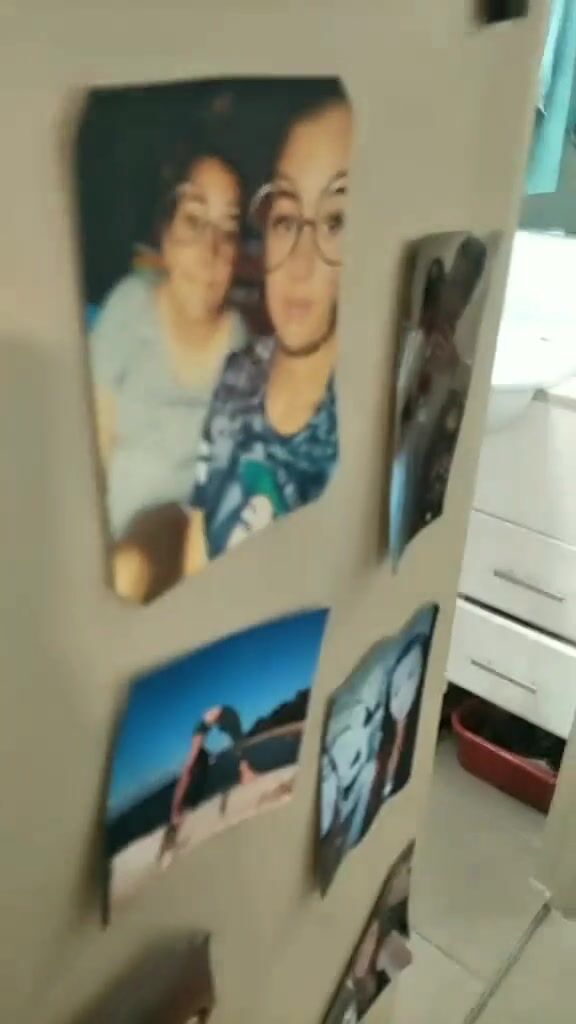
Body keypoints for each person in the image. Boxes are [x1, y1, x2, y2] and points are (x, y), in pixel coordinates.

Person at [182, 84, 352, 573]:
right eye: (286, 219)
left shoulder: (363, 419)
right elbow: (195, 552)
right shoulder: (238, 375)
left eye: (335, 221)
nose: (299, 263)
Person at [90, 135, 247, 599]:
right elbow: (90, 455)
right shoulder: (128, 308)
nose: (211, 249)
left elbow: (216, 509)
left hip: (172, 556)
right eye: (195, 222)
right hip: (99, 546)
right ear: (166, 236)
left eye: (228, 231)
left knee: (133, 567)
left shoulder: (240, 352)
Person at [157, 704, 256, 868]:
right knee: (190, 767)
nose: (222, 732)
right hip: (215, 719)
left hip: (217, 719)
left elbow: (236, 742)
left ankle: (179, 811)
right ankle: (176, 814)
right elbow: (189, 768)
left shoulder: (226, 720)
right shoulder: (225, 720)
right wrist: (175, 812)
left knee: (197, 766)